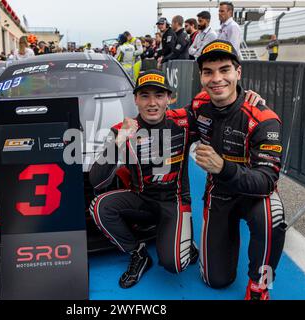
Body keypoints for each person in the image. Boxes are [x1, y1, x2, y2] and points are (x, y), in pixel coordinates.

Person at [189, 40, 286, 300]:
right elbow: (173, 121)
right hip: (219, 193)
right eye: (208, 72)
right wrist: (131, 125)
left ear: (238, 73)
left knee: (272, 214)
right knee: (215, 281)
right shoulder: (199, 105)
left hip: (254, 196)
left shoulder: (264, 118)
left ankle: (261, 284)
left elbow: (266, 181)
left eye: (224, 70)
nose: (216, 78)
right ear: (201, 77)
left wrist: (223, 167)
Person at [89, 69, 200, 289]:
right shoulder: (122, 129)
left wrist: (246, 97)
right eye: (145, 95)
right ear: (135, 99)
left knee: (175, 264)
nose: (152, 103)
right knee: (99, 206)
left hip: (174, 202)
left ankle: (181, 236)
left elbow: (219, 112)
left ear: (169, 98)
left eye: (159, 95)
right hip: (142, 199)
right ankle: (139, 253)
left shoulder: (185, 122)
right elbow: (97, 181)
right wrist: (120, 140)